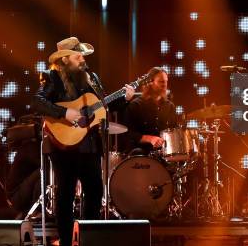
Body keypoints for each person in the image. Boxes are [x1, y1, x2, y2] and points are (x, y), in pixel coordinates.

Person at [33, 36, 134, 246]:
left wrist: (124, 100)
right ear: (65, 59)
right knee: (65, 193)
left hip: (90, 145)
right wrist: (65, 113)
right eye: (78, 55)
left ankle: (89, 238)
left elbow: (103, 108)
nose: (82, 59)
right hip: (63, 146)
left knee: (95, 191)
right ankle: (67, 240)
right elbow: (38, 102)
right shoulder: (52, 77)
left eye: (82, 55)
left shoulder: (91, 78)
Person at [123, 67, 178, 154]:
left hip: (164, 153)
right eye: (161, 82)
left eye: (166, 81)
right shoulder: (136, 105)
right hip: (140, 154)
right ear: (150, 83)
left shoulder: (170, 106)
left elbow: (174, 130)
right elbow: (128, 133)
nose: (165, 85)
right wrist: (150, 139)